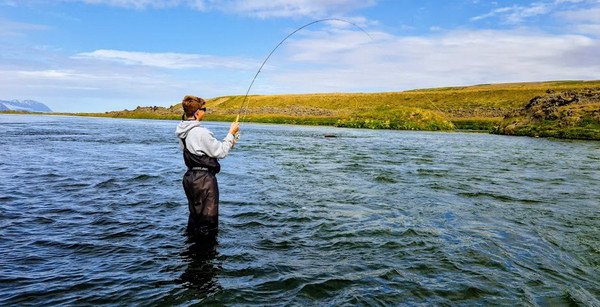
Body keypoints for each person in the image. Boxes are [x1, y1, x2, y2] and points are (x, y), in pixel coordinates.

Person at [175, 95, 239, 241]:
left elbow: (202, 151)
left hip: (190, 178)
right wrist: (231, 133)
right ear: (197, 112)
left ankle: (191, 249)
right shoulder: (201, 132)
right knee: (208, 220)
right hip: (204, 180)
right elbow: (220, 152)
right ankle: (206, 255)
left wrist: (229, 141)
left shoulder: (181, 131)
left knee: (195, 217)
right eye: (203, 109)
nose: (205, 111)